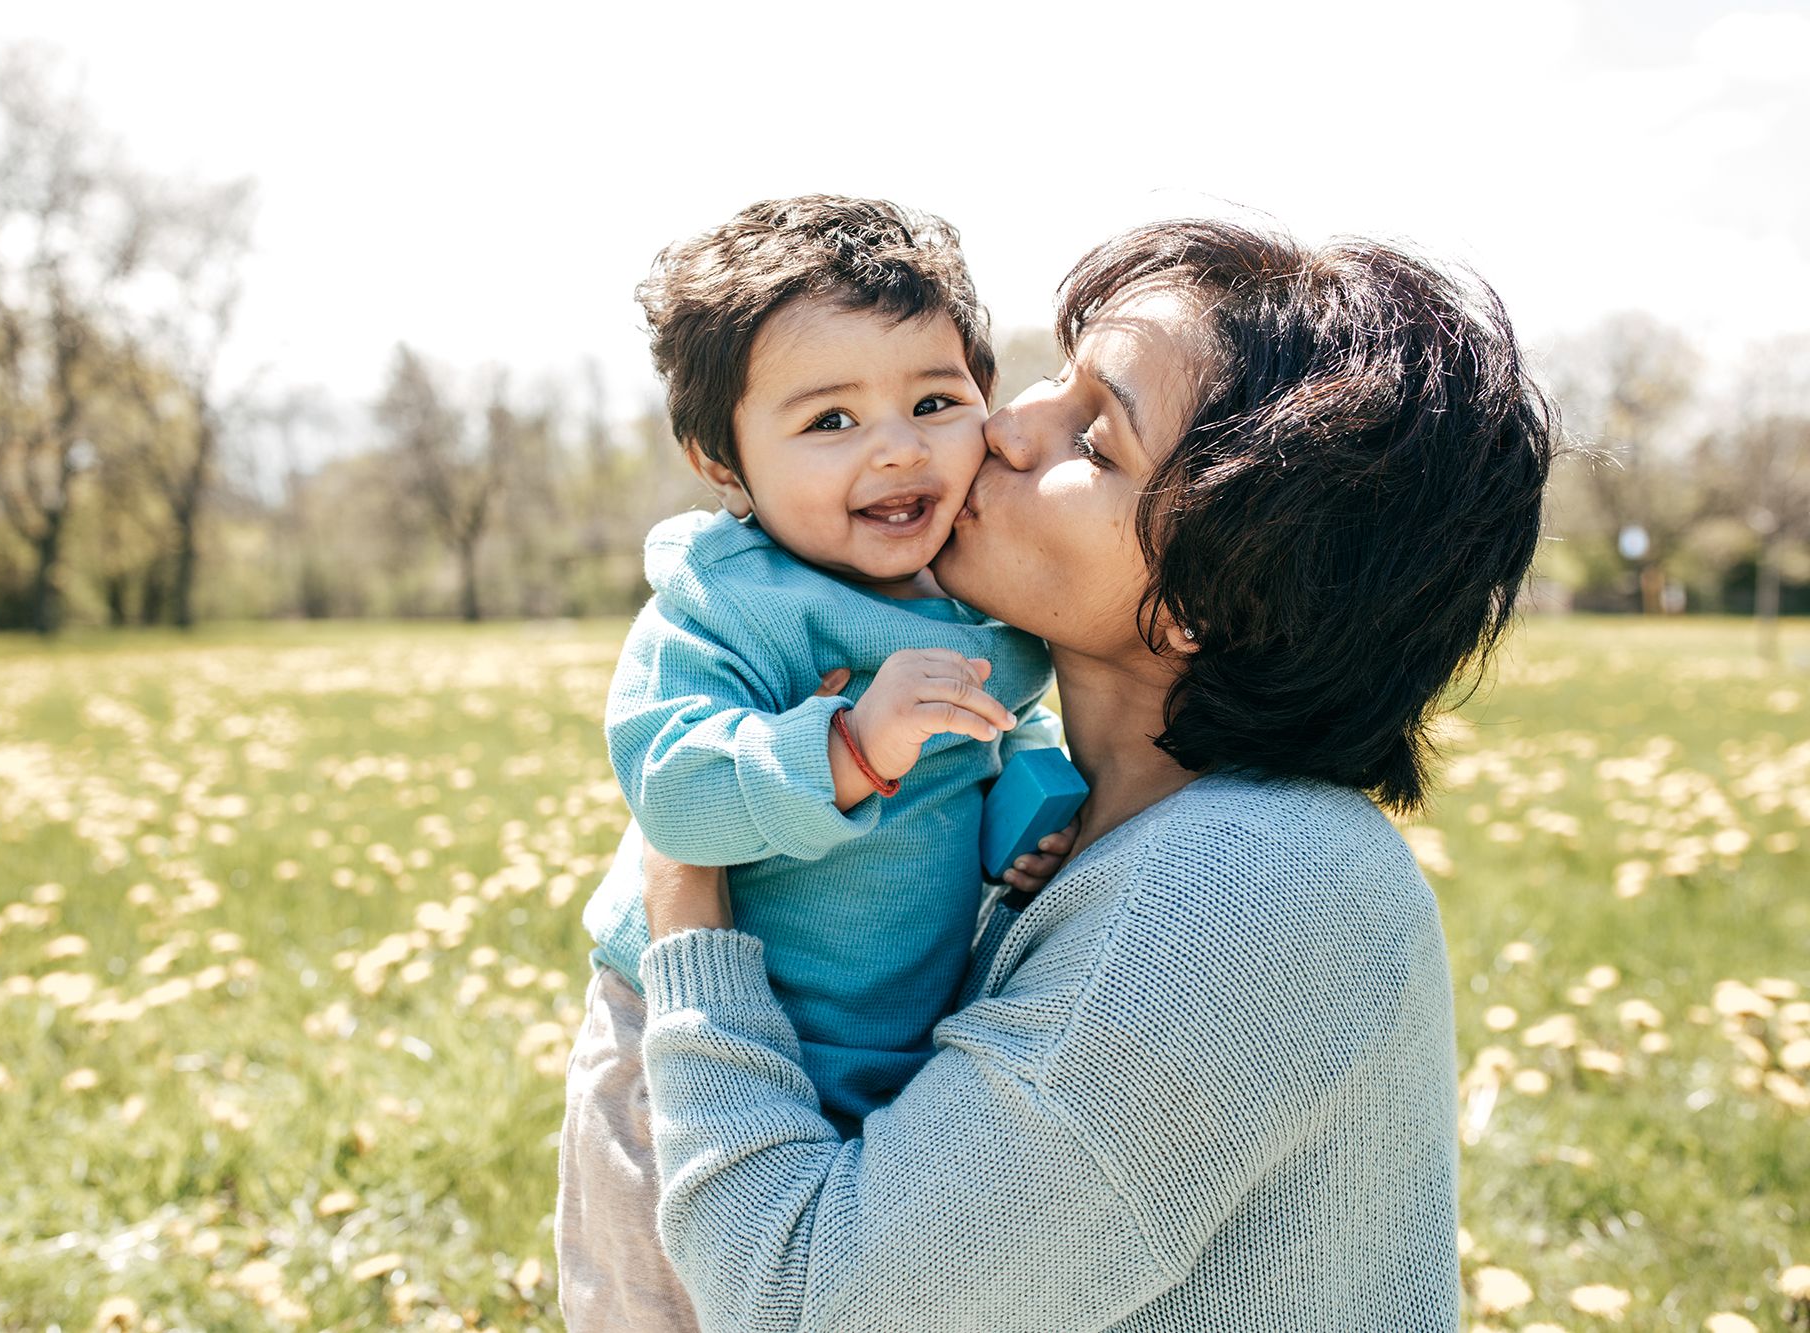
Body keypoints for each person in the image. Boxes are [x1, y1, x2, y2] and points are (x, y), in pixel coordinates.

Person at [632, 218, 1556, 1330]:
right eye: (1049, 379)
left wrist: (685, 907)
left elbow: (802, 1304)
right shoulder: (1084, 832)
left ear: (1226, 587)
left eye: (1095, 437)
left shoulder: (1243, 893)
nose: (1001, 423)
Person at [556, 196, 1078, 1331]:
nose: (896, 446)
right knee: (659, 1303)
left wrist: (1031, 818)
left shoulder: (981, 593)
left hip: (893, 1044)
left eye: (933, 402)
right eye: (828, 420)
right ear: (720, 460)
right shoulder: (729, 604)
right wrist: (844, 745)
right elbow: (671, 790)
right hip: (680, 1047)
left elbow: (1010, 723)